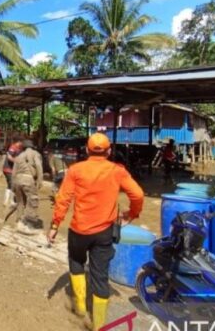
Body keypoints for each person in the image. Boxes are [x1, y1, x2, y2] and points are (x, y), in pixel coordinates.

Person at [47, 133, 144, 330]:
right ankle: (99, 324)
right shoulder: (117, 171)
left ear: (86, 150)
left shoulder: (75, 170)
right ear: (109, 151)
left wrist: (55, 225)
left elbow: (63, 199)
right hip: (104, 232)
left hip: (79, 230)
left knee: (76, 263)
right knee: (100, 275)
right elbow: (138, 194)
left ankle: (81, 309)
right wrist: (133, 213)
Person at [11, 139, 44, 235]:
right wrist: (40, 180)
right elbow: (38, 166)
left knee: (20, 202)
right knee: (32, 201)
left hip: (17, 179)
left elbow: (13, 173)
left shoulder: (18, 156)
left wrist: (13, 186)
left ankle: (19, 222)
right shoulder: (35, 154)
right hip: (28, 179)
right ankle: (29, 224)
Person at [2, 140, 23, 207]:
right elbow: (9, 157)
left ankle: (6, 201)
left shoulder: (19, 149)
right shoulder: (13, 147)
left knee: (10, 185)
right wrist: (17, 161)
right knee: (12, 184)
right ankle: (11, 201)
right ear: (19, 141)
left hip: (11, 170)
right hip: (8, 169)